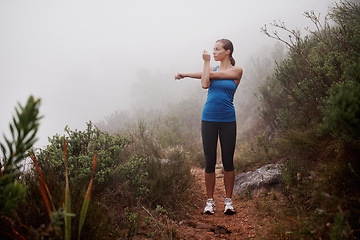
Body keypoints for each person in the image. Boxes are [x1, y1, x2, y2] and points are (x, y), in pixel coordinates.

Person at [175, 39, 243, 215]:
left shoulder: (236, 70)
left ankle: (228, 201)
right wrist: (185, 74)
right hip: (209, 119)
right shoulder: (210, 69)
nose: (213, 52)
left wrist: (205, 64)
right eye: (213, 49)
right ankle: (210, 201)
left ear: (227, 51)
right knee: (209, 161)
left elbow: (207, 78)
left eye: (217, 49)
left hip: (228, 120)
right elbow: (205, 82)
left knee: (228, 161)